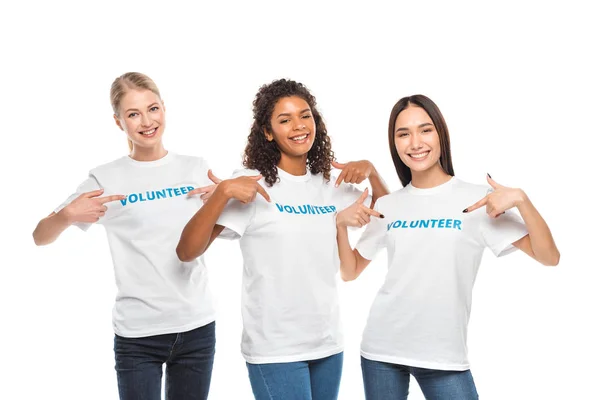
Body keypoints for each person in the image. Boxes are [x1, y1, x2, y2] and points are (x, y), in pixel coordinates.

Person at [335, 94, 560, 400]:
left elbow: (549, 257)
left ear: (441, 133)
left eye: (425, 130)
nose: (415, 142)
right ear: (395, 143)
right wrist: (338, 224)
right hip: (381, 349)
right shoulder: (388, 204)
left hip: (443, 355)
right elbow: (350, 271)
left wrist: (521, 199)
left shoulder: (477, 200)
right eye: (404, 134)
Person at [177, 79, 389, 400]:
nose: (298, 126)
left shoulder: (330, 184)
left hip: (328, 343)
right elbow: (187, 251)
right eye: (285, 119)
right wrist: (222, 193)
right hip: (275, 348)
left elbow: (392, 220)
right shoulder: (250, 183)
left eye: (305, 116)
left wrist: (373, 173)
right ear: (267, 131)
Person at [32, 72, 217, 400]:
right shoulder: (106, 178)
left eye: (153, 109)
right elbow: (40, 236)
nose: (147, 121)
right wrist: (66, 215)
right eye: (133, 114)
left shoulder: (195, 167)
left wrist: (222, 202)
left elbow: (228, 233)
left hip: (196, 329)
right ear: (119, 122)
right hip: (138, 336)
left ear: (164, 109)